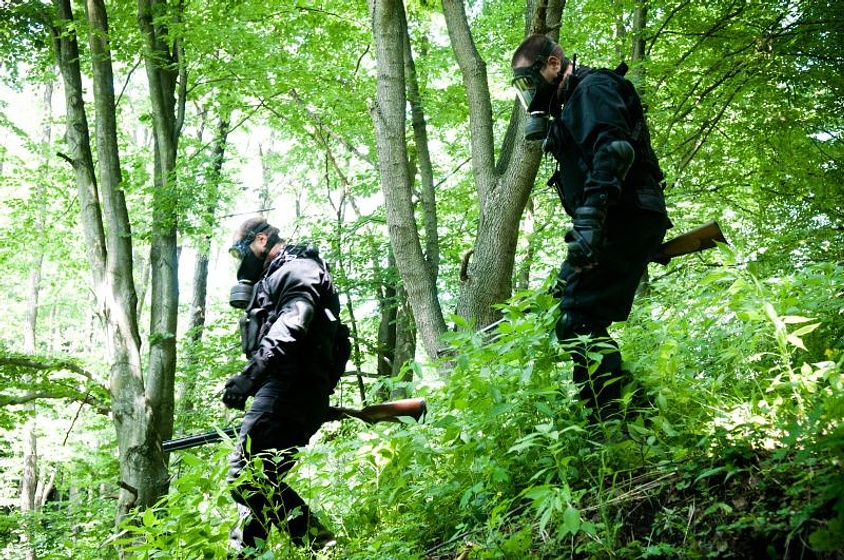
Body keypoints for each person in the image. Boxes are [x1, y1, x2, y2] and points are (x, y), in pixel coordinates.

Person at [510, 35, 672, 422]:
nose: (530, 91)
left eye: (530, 79)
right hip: (611, 218)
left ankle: (617, 420)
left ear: (553, 64)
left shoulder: (593, 88)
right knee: (562, 303)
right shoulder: (570, 105)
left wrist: (589, 221)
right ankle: (638, 412)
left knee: (578, 317)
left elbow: (614, 151)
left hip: (624, 214)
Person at [223, 216, 341, 557]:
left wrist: (251, 376)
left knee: (246, 477)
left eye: (239, 251)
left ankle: (321, 543)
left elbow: (295, 319)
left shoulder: (297, 269)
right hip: (288, 388)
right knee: (260, 481)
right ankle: (247, 554)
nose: (239, 261)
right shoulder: (273, 277)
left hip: (291, 386)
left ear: (261, 241)